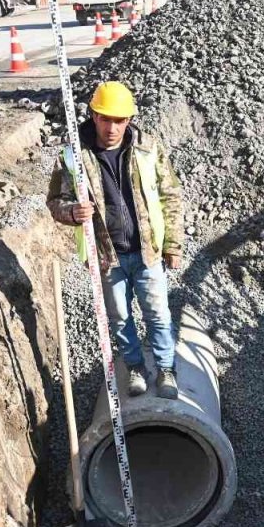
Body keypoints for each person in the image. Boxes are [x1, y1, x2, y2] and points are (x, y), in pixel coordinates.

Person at [47, 81, 185, 399]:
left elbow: (170, 196)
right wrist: (72, 211)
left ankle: (166, 369)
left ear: (129, 119)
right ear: (94, 116)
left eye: (120, 120)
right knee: (120, 318)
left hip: (147, 251)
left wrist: (172, 244)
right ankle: (135, 367)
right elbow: (54, 201)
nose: (113, 127)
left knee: (158, 314)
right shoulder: (74, 156)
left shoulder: (148, 148)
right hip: (106, 256)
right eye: (106, 119)